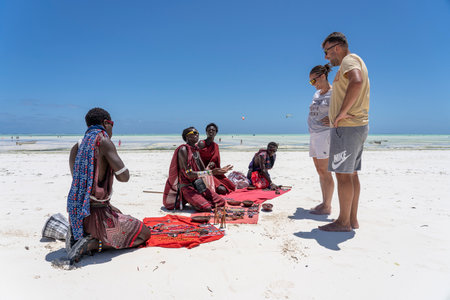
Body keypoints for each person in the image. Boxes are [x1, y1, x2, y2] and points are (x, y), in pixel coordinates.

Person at [66, 108, 151, 263]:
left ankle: (80, 234)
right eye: (112, 124)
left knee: (117, 211)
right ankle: (92, 245)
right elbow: (124, 177)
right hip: (96, 217)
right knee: (143, 233)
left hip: (77, 216)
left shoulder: (76, 147)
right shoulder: (103, 142)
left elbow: (82, 186)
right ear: (106, 123)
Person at [318, 32, 370, 232]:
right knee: (351, 174)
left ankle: (343, 222)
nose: (326, 57)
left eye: (327, 52)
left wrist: (341, 114)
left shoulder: (349, 60)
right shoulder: (354, 61)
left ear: (337, 48)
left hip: (348, 128)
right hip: (357, 127)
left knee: (342, 175)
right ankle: (352, 219)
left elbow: (356, 82)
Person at [163, 127, 226, 212]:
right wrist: (210, 172)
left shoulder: (195, 150)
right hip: (187, 186)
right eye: (193, 133)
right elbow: (189, 174)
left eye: (197, 133)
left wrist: (215, 171)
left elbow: (203, 170)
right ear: (187, 137)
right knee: (206, 208)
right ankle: (197, 202)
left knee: (221, 202)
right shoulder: (183, 149)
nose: (196, 135)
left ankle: (199, 201)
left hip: (198, 185)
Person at [308, 64, 335, 215]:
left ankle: (327, 206)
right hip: (314, 135)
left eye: (313, 81)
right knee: (319, 171)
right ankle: (324, 202)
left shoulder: (334, 93)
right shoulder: (317, 94)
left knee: (325, 171)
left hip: (325, 135)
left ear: (322, 77)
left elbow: (347, 110)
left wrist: (333, 119)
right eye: (310, 82)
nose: (313, 85)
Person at [198, 123, 235, 194]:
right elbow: (197, 159)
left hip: (214, 172)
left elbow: (215, 161)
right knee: (222, 190)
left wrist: (220, 169)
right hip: (203, 172)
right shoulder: (202, 143)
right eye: (209, 130)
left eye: (213, 130)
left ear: (216, 133)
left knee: (232, 186)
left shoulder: (215, 146)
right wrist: (207, 168)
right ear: (206, 132)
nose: (211, 131)